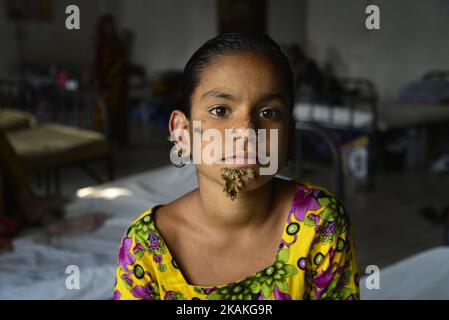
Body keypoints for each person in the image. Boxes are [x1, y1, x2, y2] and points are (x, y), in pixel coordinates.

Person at [113, 33, 360, 300]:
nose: (246, 132)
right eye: (220, 110)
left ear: (288, 137)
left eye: (268, 113)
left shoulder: (319, 222)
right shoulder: (145, 246)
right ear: (182, 134)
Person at [87, 14, 128, 145]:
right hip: (103, 82)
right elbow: (95, 63)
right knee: (102, 111)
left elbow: (121, 60)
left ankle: (117, 138)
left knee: (117, 112)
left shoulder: (116, 42)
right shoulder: (99, 43)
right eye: (106, 26)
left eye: (111, 25)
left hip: (117, 84)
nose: (109, 28)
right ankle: (103, 138)